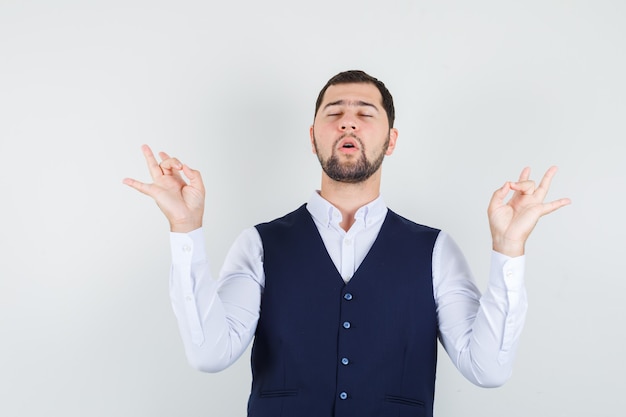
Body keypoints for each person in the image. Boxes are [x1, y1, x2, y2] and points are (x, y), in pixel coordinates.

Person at [123, 70, 571, 417]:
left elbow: (488, 369)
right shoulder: (259, 244)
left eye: (365, 113)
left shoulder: (435, 250)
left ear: (390, 140)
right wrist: (185, 227)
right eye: (333, 113)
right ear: (313, 136)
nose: (347, 122)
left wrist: (508, 247)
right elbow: (209, 353)